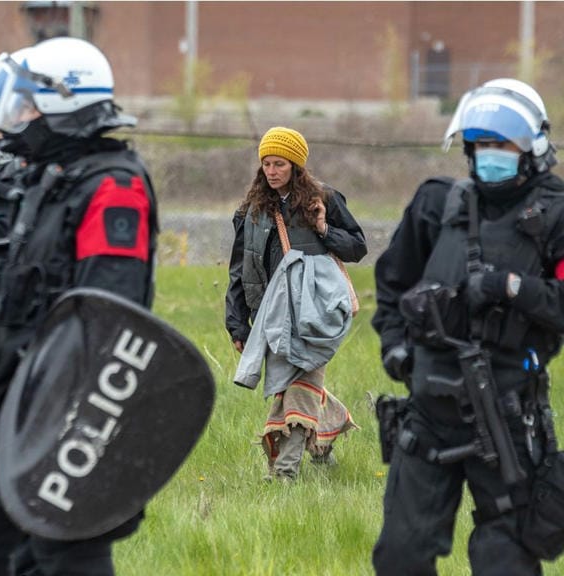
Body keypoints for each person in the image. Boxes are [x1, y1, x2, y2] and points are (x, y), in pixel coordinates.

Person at [0, 37, 158, 576]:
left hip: (71, 396)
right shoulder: (48, 179)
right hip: (15, 383)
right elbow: (29, 279)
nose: (20, 115)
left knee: (62, 551)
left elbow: (108, 309)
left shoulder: (114, 186)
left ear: (65, 103)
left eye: (30, 103)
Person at [372, 78, 564, 574]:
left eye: (502, 144)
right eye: (480, 145)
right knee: (400, 556)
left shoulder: (556, 214)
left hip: (505, 415)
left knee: (503, 558)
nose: (489, 155)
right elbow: (392, 284)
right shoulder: (438, 204)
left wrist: (511, 287)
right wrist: (395, 348)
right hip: (428, 414)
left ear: (532, 146)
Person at [225, 126, 367, 480]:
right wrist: (238, 324)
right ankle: (326, 437)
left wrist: (323, 229)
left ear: (296, 166)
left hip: (313, 316)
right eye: (267, 164)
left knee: (299, 386)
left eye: (280, 164)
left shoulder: (325, 200)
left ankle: (284, 473)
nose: (272, 172)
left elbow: (357, 248)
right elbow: (239, 271)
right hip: (270, 316)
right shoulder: (251, 212)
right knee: (291, 383)